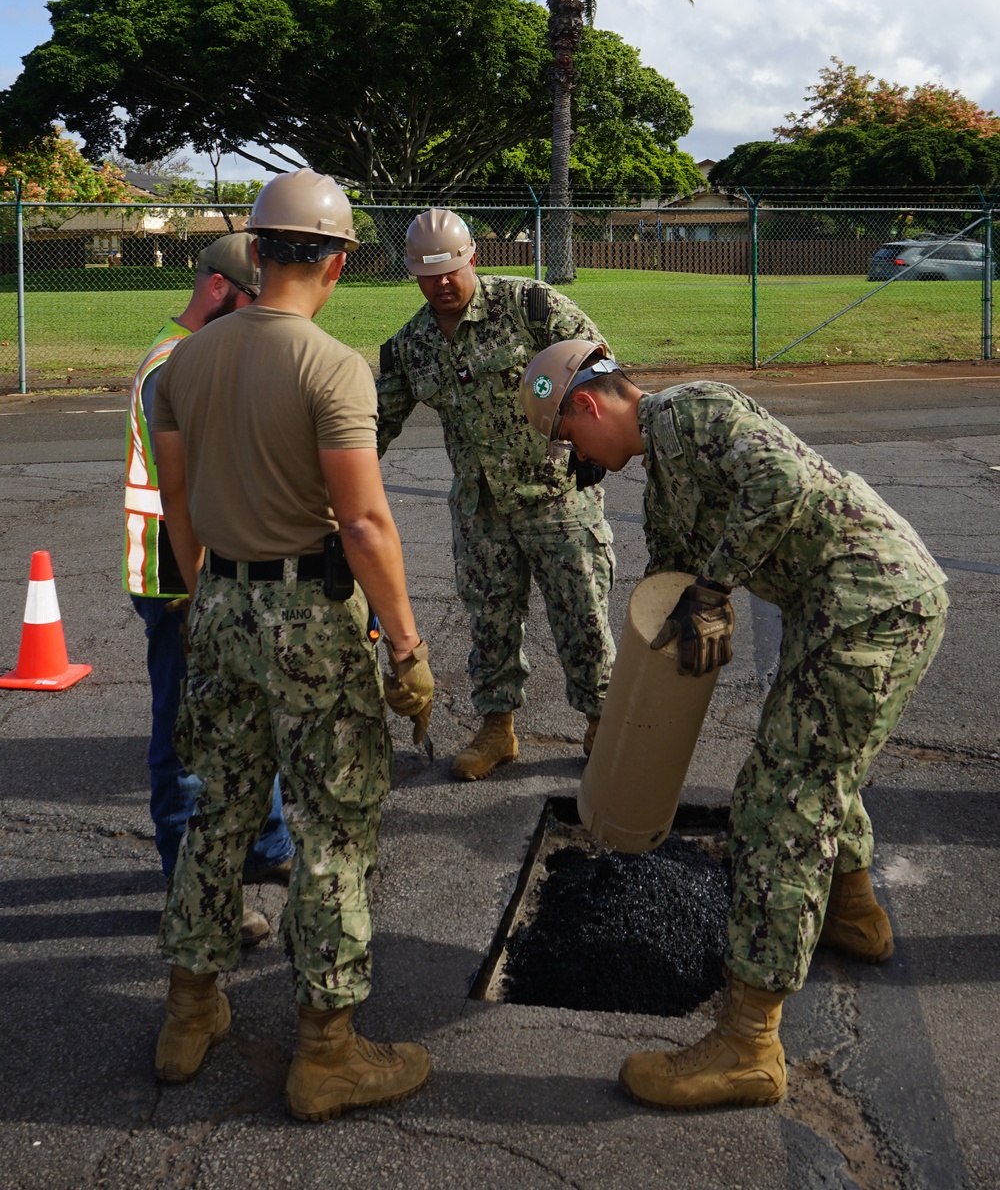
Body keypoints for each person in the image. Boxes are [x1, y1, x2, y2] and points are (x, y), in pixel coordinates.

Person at [520, 342, 948, 1110]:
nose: (573, 457)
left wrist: (715, 587)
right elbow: (669, 585)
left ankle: (749, 1045)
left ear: (587, 404)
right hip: (843, 609)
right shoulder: (662, 476)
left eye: (567, 440)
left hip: (872, 602)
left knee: (780, 800)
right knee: (818, 763)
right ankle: (851, 910)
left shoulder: (691, 410)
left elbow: (779, 484)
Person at [150, 169, 434, 1122]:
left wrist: (204, 597)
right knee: (332, 827)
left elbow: (178, 505)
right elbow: (363, 524)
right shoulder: (333, 366)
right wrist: (404, 646)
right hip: (309, 618)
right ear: (338, 262)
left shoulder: (180, 365)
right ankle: (326, 1051)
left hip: (219, 602)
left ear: (259, 250)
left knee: (219, 810)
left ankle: (190, 1010)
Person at [376, 209, 616, 780]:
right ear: (412, 274)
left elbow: (600, 370)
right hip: (481, 511)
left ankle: (603, 725)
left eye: (451, 269)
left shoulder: (529, 306)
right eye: (428, 274)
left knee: (582, 618)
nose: (441, 283)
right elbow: (370, 426)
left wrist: (593, 450)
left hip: (557, 497)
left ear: (472, 258)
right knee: (490, 623)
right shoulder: (410, 346)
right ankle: (496, 728)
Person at [124, 232, 293, 946]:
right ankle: (189, 892)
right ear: (223, 290)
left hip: (208, 574)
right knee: (187, 741)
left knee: (251, 711)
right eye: (255, 302)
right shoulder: (177, 365)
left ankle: (267, 848)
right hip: (179, 581)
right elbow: (187, 490)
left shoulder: (191, 351)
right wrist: (202, 594)